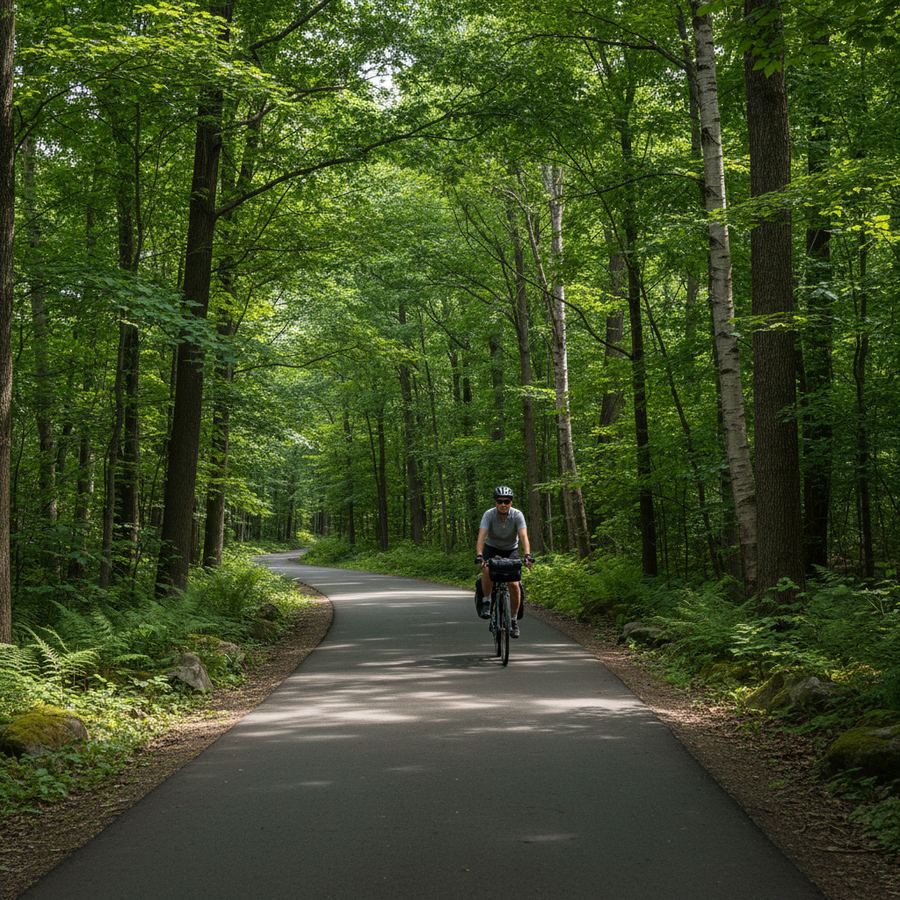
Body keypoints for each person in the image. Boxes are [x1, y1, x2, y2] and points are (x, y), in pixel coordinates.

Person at [475, 486, 533, 638]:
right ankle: (487, 601)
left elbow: (523, 537)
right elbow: (481, 536)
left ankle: (513, 620)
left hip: (510, 550)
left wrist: (527, 555)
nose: (503, 504)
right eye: (500, 501)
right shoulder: (489, 514)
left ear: (511, 503)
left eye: (506, 501)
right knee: (487, 568)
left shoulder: (517, 515)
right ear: (496, 503)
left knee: (514, 584)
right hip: (491, 548)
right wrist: (480, 555)